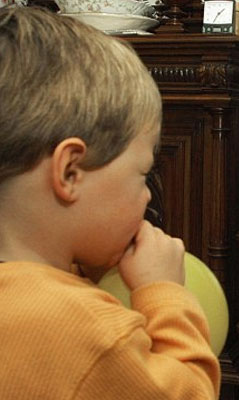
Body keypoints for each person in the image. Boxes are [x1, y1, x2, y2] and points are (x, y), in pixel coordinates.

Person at [0, 7, 220, 399]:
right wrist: (164, 292)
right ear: (70, 172)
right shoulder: (84, 327)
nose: (148, 195)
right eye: (142, 175)